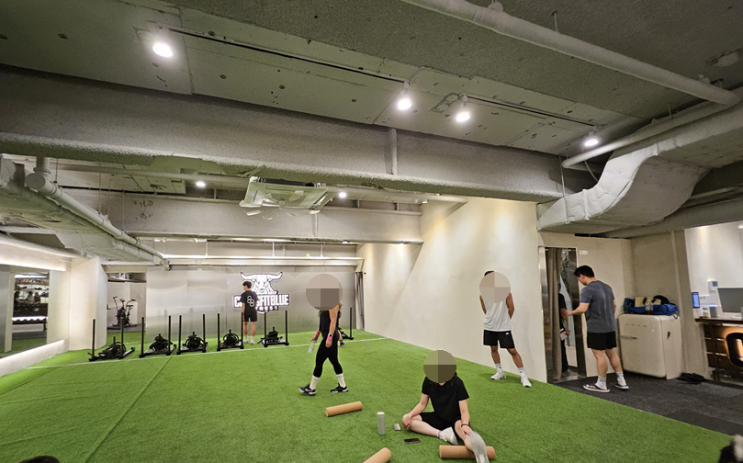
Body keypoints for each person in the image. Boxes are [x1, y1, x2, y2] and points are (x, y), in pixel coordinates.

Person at [565, 265, 628, 393]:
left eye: (578, 279)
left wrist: (569, 313)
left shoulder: (588, 289)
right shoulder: (607, 287)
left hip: (596, 328)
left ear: (582, 276)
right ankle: (621, 381)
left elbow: (582, 309)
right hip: (609, 326)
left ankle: (601, 384)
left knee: (599, 355)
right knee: (611, 352)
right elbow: (614, 305)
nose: (579, 281)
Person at [402, 371, 490, 463]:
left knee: (465, 433)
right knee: (410, 420)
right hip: (438, 417)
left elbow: (464, 411)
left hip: (456, 419)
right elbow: (422, 404)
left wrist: (465, 424)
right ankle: (443, 434)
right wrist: (409, 415)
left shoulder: (457, 382)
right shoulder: (429, 380)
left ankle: (481, 455)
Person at [479, 271, 531, 388]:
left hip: (503, 327)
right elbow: (485, 310)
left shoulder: (506, 293)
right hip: (489, 326)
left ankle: (523, 376)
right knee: (493, 348)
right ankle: (499, 372)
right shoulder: (482, 295)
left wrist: (505, 321)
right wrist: (492, 319)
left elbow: (511, 308)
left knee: (512, 350)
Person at [300, 302, 347, 395]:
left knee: (319, 361)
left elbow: (333, 321)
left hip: (330, 338)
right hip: (327, 336)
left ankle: (311, 388)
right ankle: (343, 386)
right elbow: (322, 323)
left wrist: (329, 338)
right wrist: (317, 335)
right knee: (334, 361)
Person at [558, 287, 570, 375]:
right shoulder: (559, 296)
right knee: (561, 347)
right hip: (558, 326)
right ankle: (563, 367)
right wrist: (567, 327)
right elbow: (563, 312)